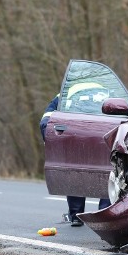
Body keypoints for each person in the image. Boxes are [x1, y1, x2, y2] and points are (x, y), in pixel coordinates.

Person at [39, 94, 111, 227]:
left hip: (75, 138)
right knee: (109, 172)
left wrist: (50, 140)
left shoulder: (65, 95)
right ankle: (105, 215)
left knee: (74, 170)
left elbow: (45, 122)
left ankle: (76, 215)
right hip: (105, 138)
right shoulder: (108, 93)